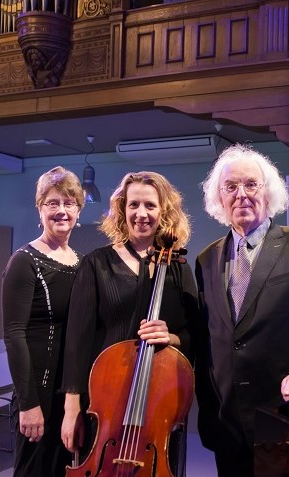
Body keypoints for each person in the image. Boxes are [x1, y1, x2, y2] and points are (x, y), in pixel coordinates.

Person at [194, 144, 289, 476]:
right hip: (227, 425)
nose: (241, 195)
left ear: (269, 193)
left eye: (251, 184)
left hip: (285, 419)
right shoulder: (205, 259)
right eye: (231, 187)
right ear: (219, 199)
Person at [60, 171, 198, 475]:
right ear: (122, 210)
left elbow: (196, 335)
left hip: (158, 405)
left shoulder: (178, 268)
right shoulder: (96, 264)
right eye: (133, 205)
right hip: (106, 399)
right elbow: (77, 339)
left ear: (164, 211)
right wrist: (72, 408)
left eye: (150, 205)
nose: (141, 214)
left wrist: (171, 338)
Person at [2, 166, 84, 477]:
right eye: (52, 203)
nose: (61, 211)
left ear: (78, 209)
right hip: (39, 395)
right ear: (40, 208)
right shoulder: (24, 261)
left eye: (69, 203)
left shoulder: (82, 262)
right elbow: (13, 335)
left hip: (72, 395)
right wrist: (28, 404)